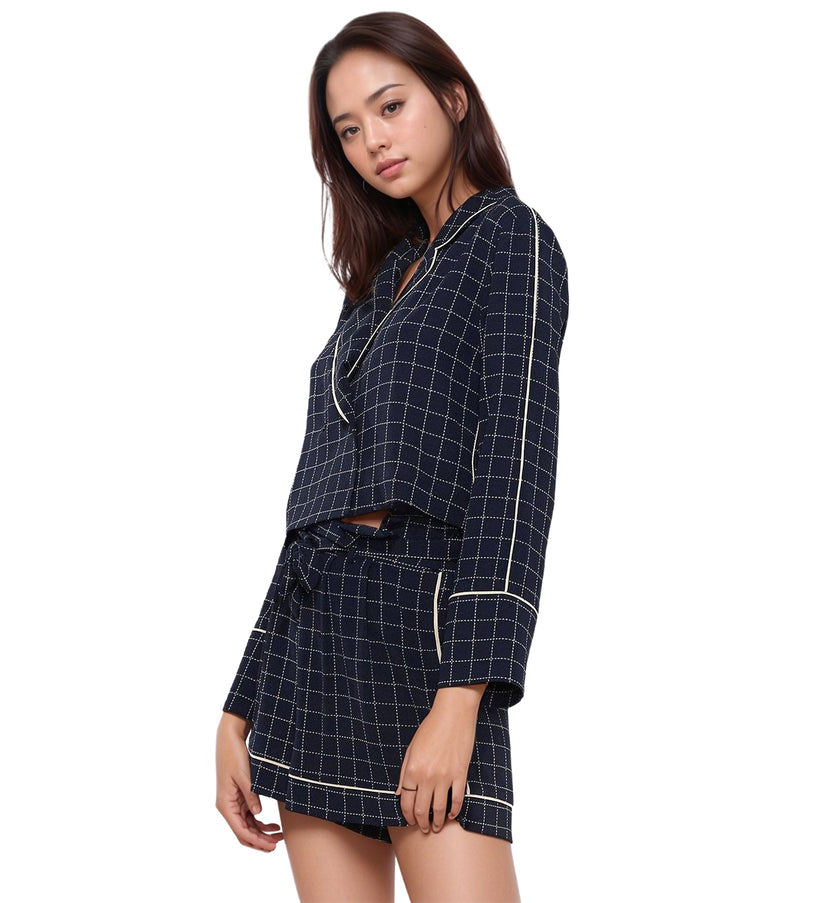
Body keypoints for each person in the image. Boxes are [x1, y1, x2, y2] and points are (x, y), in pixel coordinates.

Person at [215, 12, 569, 902]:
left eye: (390, 106)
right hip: (316, 646)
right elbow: (316, 508)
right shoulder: (376, 283)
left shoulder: (510, 239)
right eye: (347, 129)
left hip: (427, 640)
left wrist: (463, 696)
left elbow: (517, 473)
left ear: (453, 97)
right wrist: (241, 703)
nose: (372, 140)